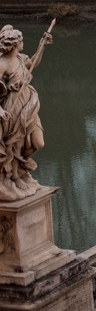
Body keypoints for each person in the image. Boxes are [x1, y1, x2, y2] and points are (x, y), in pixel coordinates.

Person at [0, 24, 52, 201]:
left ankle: (22, 169)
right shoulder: (2, 63)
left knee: (38, 142)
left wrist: (41, 45)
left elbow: (33, 64)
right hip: (13, 105)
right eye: (21, 40)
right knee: (15, 143)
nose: (23, 43)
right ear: (15, 43)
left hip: (28, 103)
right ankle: (15, 176)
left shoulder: (21, 58)